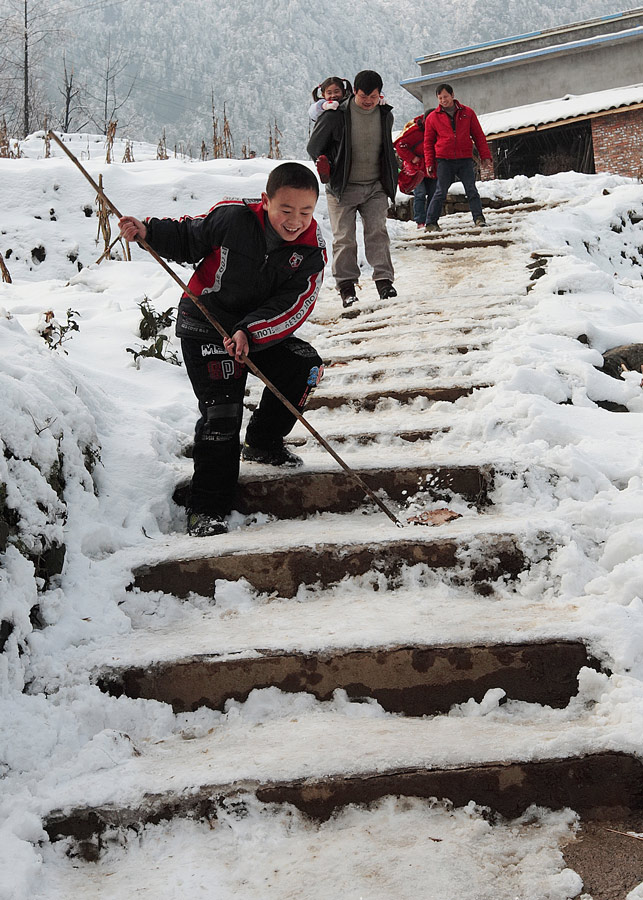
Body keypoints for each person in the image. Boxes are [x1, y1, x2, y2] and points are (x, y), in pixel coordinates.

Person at [118, 163, 326, 538]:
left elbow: (293, 305)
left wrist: (250, 331)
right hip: (206, 324)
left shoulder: (311, 252)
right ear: (266, 202)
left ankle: (263, 442)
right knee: (222, 412)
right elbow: (188, 236)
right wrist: (148, 231)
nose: (295, 221)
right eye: (286, 210)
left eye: (305, 212)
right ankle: (207, 509)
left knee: (305, 366)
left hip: (257, 330)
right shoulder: (233, 217)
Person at [307, 69, 398, 307]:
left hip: (375, 185)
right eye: (363, 96)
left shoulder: (385, 115)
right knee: (344, 238)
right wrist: (329, 162)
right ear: (354, 92)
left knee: (378, 232)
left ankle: (384, 282)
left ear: (380, 95)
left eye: (374, 96)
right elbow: (314, 147)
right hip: (342, 187)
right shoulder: (336, 115)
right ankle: (347, 288)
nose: (368, 101)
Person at [423, 83, 493, 232]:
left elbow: (479, 136)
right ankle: (430, 222)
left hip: (464, 158)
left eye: (446, 97)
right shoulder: (432, 118)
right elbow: (428, 142)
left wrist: (485, 156)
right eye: (440, 98)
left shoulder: (468, 113)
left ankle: (479, 218)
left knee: (471, 189)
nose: (443, 100)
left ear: (452, 95)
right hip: (444, 160)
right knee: (440, 191)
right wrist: (429, 162)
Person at [393, 113, 436, 229]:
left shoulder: (439, 130)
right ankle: (420, 221)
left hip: (432, 166)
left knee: (434, 193)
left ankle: (431, 220)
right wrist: (412, 158)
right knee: (420, 193)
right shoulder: (414, 131)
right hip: (416, 168)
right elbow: (399, 145)